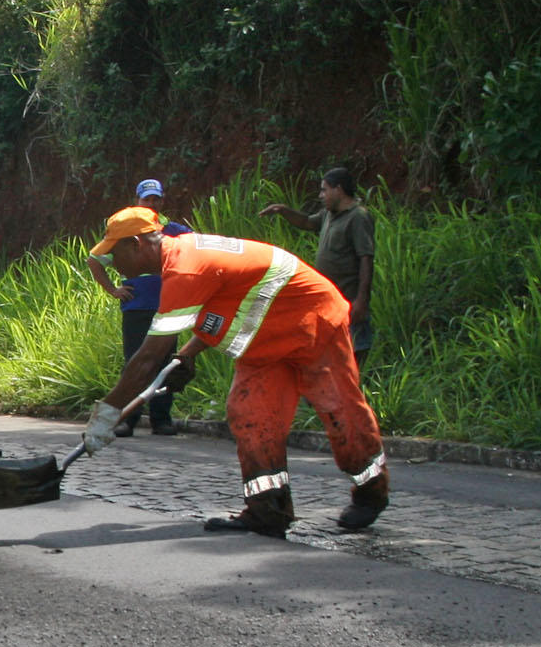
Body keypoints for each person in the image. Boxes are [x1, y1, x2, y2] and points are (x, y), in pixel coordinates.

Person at [83, 206, 390, 535]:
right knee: (249, 413)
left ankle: (371, 491)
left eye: (114, 253)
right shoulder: (181, 258)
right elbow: (229, 305)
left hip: (313, 321)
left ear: (136, 244)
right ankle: (268, 510)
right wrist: (186, 355)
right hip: (267, 342)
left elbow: (148, 358)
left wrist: (107, 413)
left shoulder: (185, 268)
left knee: (338, 408)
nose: (113, 263)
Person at [87, 177, 191, 435]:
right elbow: (95, 260)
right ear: (137, 200)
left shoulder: (171, 228)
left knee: (166, 360)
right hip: (136, 305)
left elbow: (194, 249)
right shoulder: (125, 229)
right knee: (135, 360)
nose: (152, 203)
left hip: (168, 305)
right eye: (147, 199)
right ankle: (127, 419)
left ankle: (161, 419)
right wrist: (113, 289)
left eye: (157, 199)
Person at [260, 167, 374, 360]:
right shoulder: (329, 214)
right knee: (333, 348)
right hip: (330, 297)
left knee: (356, 347)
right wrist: (283, 210)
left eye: (324, 190)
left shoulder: (358, 217)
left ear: (338, 189)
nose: (321, 195)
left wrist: (362, 300)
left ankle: (360, 383)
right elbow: (307, 222)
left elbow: (366, 258)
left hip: (350, 296)